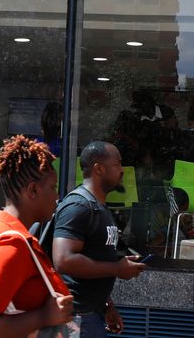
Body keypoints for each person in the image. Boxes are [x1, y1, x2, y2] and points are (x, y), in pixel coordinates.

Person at [0, 135, 73, 338]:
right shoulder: (11, 244)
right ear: (32, 190)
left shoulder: (10, 233)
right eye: (53, 188)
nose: (57, 197)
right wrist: (45, 316)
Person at [52, 141, 146, 338]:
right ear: (99, 168)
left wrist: (107, 306)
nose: (122, 171)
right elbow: (63, 260)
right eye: (117, 165)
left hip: (91, 314)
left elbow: (94, 258)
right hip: (76, 318)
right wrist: (117, 269)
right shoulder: (79, 206)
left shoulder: (99, 207)